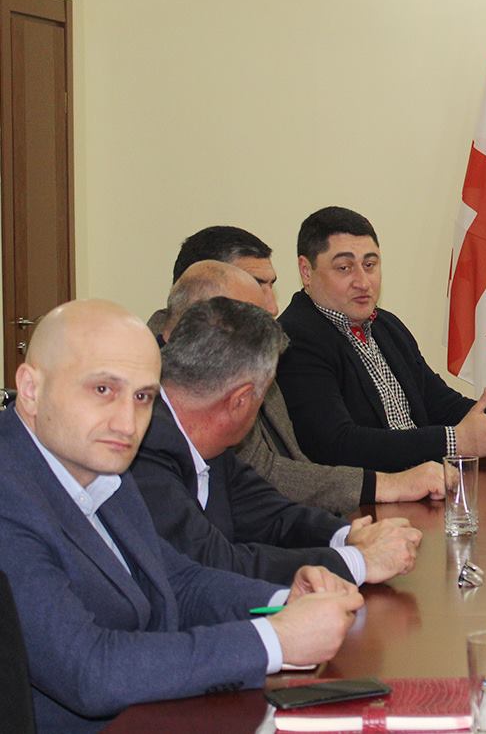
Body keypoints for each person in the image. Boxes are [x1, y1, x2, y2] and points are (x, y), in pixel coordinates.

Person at [0, 300, 362, 731]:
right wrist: (275, 640)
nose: (127, 424)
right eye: (103, 390)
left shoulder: (97, 462)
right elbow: (90, 670)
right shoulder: (9, 494)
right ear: (30, 388)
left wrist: (283, 602)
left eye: (142, 397)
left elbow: (176, 581)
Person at [133, 294, 424, 586]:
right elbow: (213, 564)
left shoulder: (205, 439)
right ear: (240, 401)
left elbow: (269, 513)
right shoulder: (142, 450)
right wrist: (357, 561)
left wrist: (348, 535)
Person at [276, 206, 486, 471]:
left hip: (428, 485)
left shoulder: (386, 326)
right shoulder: (295, 337)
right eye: (344, 267)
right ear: (306, 271)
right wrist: (455, 441)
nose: (363, 281)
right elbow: (335, 445)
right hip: (365, 505)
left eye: (370, 265)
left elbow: (440, 403)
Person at [160, 256, 449, 512]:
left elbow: (278, 484)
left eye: (370, 264)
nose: (273, 307)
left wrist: (342, 538)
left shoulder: (387, 327)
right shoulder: (157, 407)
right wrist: (386, 486)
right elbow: (266, 477)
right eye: (258, 286)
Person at [146, 225, 279, 333]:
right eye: (254, 286)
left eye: (270, 286)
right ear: (197, 292)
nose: (273, 309)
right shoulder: (141, 357)